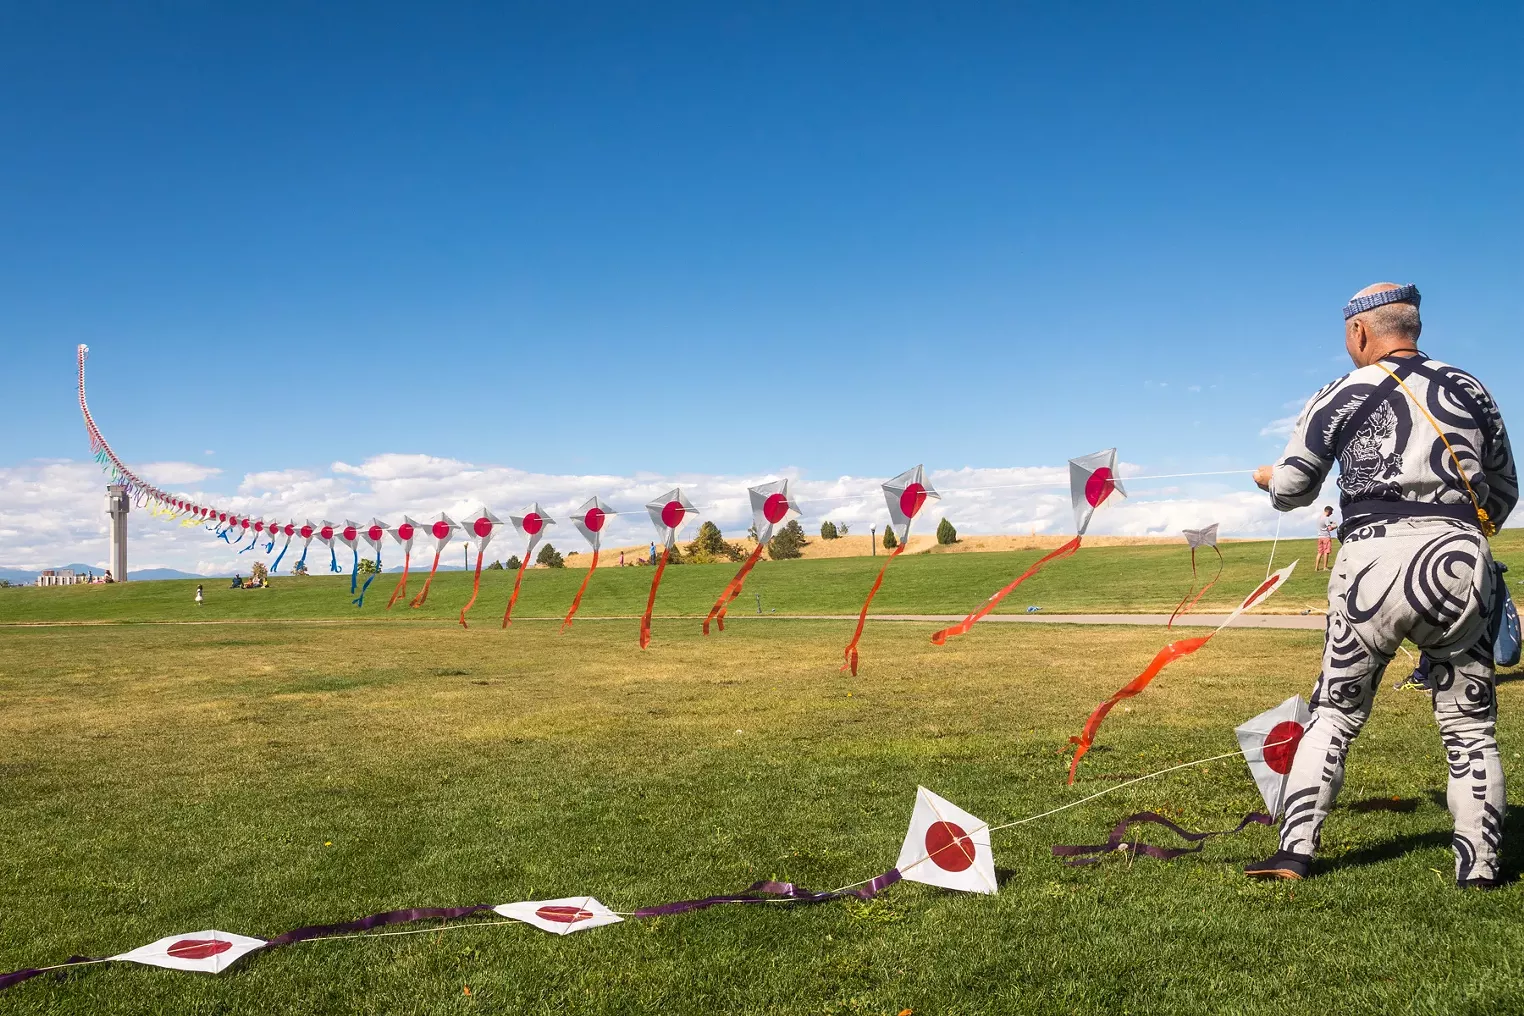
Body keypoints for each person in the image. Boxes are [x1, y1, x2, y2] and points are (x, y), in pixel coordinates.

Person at [1248, 283, 1517, 888]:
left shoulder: (1340, 392)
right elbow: (1502, 493)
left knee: (1335, 714)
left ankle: (1296, 852)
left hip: (1371, 561)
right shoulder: (1470, 389)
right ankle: (1479, 866)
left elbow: (1293, 487)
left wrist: (1265, 477)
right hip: (1459, 561)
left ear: (1360, 332)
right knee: (1470, 726)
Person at [1314, 506, 1337, 571]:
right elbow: (1329, 528)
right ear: (1328, 511)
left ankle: (1316, 568)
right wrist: (1335, 526)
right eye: (1331, 512)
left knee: (1319, 552)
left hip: (1319, 537)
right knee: (1326, 552)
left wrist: (1331, 523)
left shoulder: (1319, 518)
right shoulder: (1326, 518)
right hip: (1326, 537)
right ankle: (1325, 567)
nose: (1331, 513)